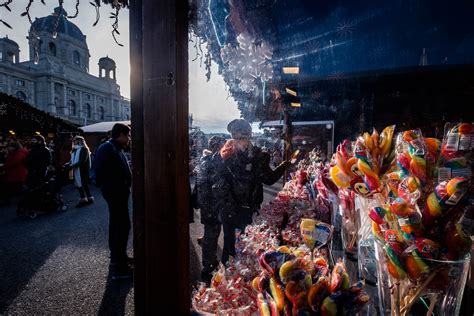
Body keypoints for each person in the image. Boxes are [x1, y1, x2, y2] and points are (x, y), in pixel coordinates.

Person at [214, 119, 291, 264]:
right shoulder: (225, 156)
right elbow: (217, 183)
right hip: (231, 210)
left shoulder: (257, 156)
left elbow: (268, 179)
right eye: (237, 137)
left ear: (249, 136)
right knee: (232, 247)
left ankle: (239, 279)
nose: (240, 140)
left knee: (246, 247)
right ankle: (227, 278)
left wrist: (282, 166)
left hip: (245, 211)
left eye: (243, 137)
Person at [93, 123, 133, 280]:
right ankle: (119, 266)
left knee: (119, 225)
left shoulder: (112, 147)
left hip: (117, 193)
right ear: (121, 135)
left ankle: (119, 257)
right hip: (115, 193)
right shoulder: (108, 148)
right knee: (121, 226)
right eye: (127, 135)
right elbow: (99, 172)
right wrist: (115, 186)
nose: (129, 139)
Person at [196, 135, 226, 284]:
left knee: (212, 235)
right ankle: (207, 266)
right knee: (210, 236)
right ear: (216, 147)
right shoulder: (212, 162)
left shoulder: (207, 160)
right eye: (222, 145)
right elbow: (210, 186)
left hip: (209, 206)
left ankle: (211, 260)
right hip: (211, 207)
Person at [66, 136, 94, 208]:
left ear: (80, 141)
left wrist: (72, 166)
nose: (74, 142)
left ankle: (86, 199)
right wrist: (68, 163)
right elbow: (72, 159)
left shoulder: (84, 149)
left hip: (82, 170)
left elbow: (82, 161)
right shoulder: (74, 150)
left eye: (75, 140)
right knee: (79, 185)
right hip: (76, 170)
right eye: (74, 140)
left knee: (83, 185)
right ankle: (87, 198)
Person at [0, 141, 28, 206]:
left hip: (17, 175)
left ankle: (7, 202)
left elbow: (12, 163)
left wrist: (2, 168)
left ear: (14, 147)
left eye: (10, 146)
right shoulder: (14, 153)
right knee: (13, 189)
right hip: (15, 174)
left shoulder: (19, 153)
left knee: (8, 188)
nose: (8, 148)